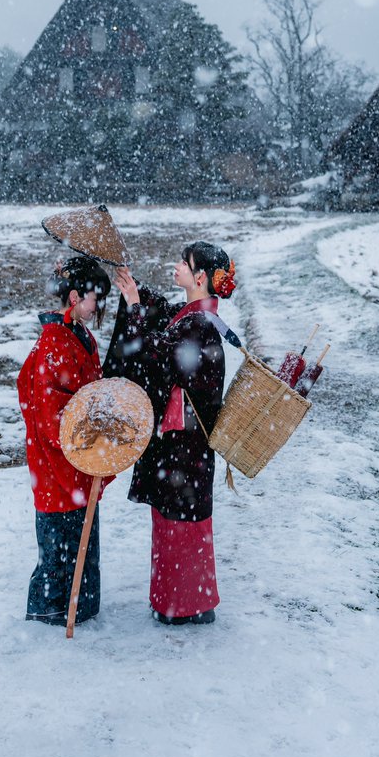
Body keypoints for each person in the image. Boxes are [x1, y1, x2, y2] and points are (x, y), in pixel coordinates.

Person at [112, 242, 236, 625]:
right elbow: (163, 320)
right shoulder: (193, 316)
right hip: (180, 445)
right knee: (173, 519)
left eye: (185, 263)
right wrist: (136, 292)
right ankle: (179, 602)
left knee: (182, 522)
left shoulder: (201, 327)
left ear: (200, 278)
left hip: (186, 446)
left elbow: (155, 352)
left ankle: (186, 606)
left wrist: (134, 308)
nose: (177, 266)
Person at [18, 255, 113, 626]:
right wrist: (90, 431)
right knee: (59, 549)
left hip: (77, 463)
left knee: (78, 543)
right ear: (74, 297)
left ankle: (76, 608)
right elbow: (54, 419)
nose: (98, 307)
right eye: (95, 299)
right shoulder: (54, 344)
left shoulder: (77, 336)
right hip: (58, 465)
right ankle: (51, 616)